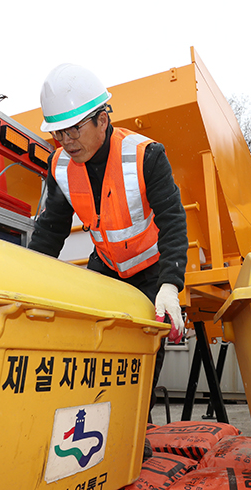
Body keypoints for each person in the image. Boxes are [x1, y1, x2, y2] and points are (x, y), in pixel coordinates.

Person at [28, 62, 188, 414]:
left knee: (142, 349)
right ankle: (93, 423)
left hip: (151, 270)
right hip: (107, 267)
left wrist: (170, 285)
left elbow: (173, 220)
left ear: (102, 119)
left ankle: (131, 429)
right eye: (59, 134)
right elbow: (50, 230)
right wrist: (28, 279)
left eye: (73, 130)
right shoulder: (59, 167)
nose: (67, 142)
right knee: (90, 343)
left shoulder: (146, 155)